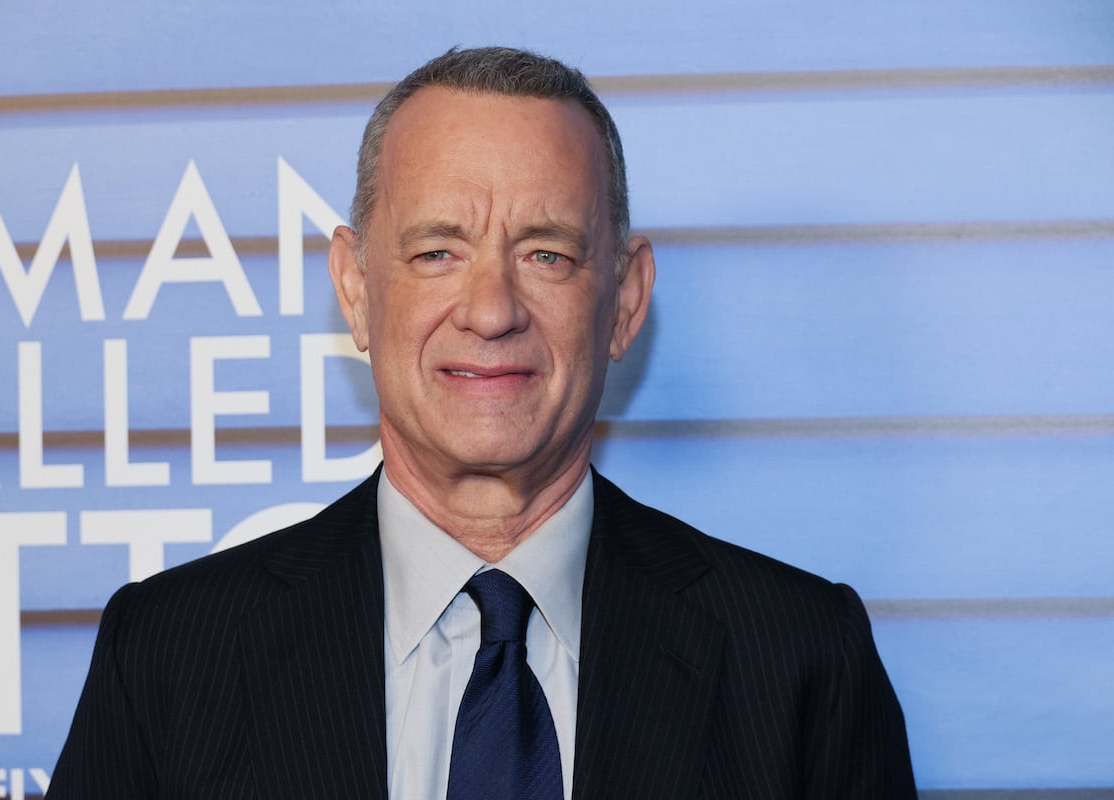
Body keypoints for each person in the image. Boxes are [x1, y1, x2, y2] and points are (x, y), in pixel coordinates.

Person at [46, 47, 917, 799]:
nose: (492, 310)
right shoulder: (167, 657)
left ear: (625, 299)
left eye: (546, 253)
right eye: (437, 252)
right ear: (355, 288)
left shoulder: (801, 663)